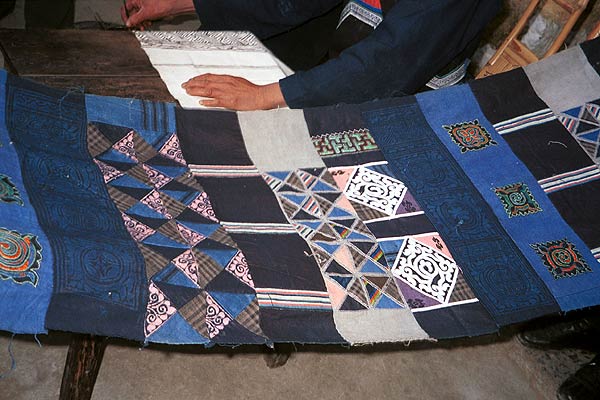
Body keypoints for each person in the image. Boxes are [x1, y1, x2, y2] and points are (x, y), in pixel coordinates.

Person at [121, 0, 501, 111]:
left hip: (409, 90)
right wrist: (179, 3)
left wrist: (264, 95)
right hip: (346, 49)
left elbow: (388, 64)